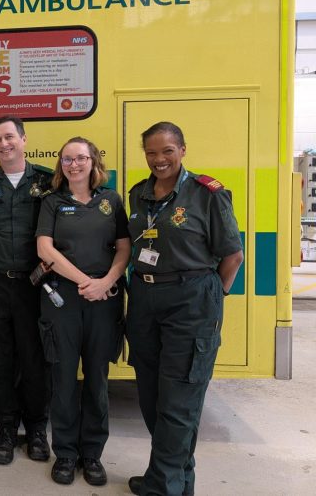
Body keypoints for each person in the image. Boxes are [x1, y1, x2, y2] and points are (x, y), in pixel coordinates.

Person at [126, 122, 243, 496]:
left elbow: (232, 254)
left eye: (167, 151)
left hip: (191, 301)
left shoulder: (207, 193)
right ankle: (175, 476)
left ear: (183, 150)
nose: (159, 160)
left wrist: (210, 297)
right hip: (145, 300)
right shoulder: (138, 195)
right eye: (152, 153)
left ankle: (163, 487)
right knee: (152, 396)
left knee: (179, 398)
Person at [35, 137, 130, 486]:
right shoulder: (52, 202)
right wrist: (84, 282)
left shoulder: (111, 200)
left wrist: (105, 282)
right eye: (67, 159)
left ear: (93, 161)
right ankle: (65, 454)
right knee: (61, 380)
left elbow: (124, 248)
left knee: (97, 380)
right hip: (63, 300)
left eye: (80, 158)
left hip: (103, 302)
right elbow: (45, 248)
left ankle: (91, 454)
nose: (73, 165)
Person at [0, 115, 53, 465]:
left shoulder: (49, 182)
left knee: (35, 359)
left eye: (9, 137)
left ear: (23, 139)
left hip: (33, 285)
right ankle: (6, 426)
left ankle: (36, 427)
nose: (3, 144)